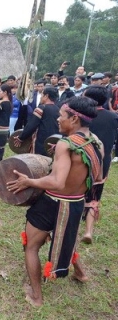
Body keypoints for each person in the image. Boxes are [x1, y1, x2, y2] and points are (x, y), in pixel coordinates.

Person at [7, 96, 103, 307]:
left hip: (53, 202)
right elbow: (96, 178)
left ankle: (36, 297)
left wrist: (28, 181)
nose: (58, 119)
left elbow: (57, 182)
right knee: (66, 238)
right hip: (76, 203)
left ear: (75, 119)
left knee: (31, 246)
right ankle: (81, 274)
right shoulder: (96, 142)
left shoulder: (66, 144)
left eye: (61, 116)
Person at [81, 85, 118, 244]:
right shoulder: (113, 117)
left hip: (81, 159)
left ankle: (73, 225)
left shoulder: (82, 116)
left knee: (76, 193)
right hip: (102, 162)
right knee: (94, 195)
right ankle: (88, 231)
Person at [14, 86, 60, 156]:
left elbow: (31, 125)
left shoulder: (41, 108)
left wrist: (21, 138)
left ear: (46, 96)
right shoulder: (58, 109)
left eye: (42, 94)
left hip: (41, 141)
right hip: (53, 141)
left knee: (38, 161)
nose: (41, 96)